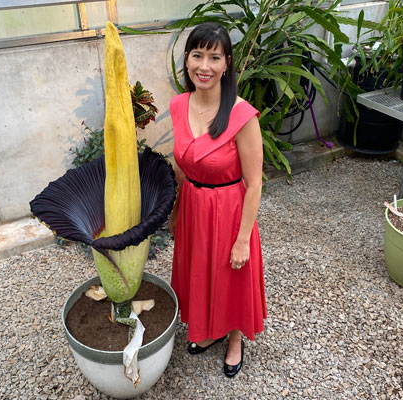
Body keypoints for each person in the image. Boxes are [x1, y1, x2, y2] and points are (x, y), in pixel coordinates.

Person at [168, 22, 267, 378]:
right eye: (197, 55)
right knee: (201, 271)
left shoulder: (242, 116)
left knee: (231, 274)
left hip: (229, 209)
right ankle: (210, 330)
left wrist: (243, 239)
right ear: (187, 59)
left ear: (227, 64)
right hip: (194, 205)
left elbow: (254, 184)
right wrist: (177, 212)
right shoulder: (179, 105)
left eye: (214, 57)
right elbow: (181, 166)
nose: (204, 66)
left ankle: (235, 338)